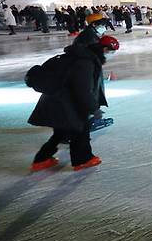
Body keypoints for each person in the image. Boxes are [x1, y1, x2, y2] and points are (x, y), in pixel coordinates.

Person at [28, 36, 119, 172]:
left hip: (56, 100)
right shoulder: (86, 62)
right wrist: (94, 109)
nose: (111, 55)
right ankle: (83, 160)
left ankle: (41, 160)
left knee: (61, 131)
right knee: (81, 129)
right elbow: (82, 89)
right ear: (105, 49)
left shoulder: (81, 56)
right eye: (111, 52)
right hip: (66, 103)